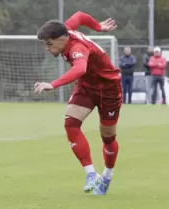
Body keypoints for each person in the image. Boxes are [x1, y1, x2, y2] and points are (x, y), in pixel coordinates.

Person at [34, 11, 120, 195]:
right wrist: (99, 26)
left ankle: (107, 175)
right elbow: (80, 16)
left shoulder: (76, 48)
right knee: (71, 123)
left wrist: (53, 84)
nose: (47, 48)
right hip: (87, 87)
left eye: (49, 44)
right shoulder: (65, 29)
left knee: (108, 137)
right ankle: (91, 175)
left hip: (108, 89)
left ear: (61, 39)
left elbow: (80, 68)